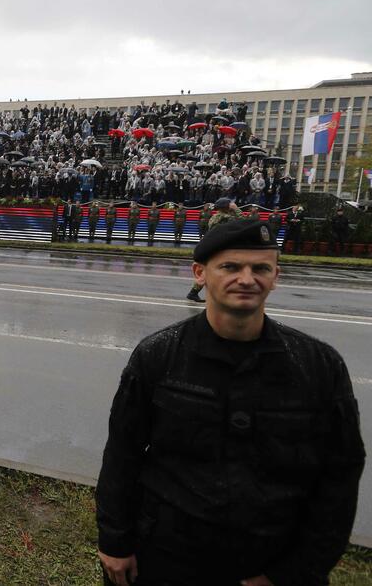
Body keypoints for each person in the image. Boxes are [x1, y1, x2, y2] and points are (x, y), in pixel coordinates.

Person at [97, 219, 365, 586]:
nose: (246, 278)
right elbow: (122, 453)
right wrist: (114, 539)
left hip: (271, 557)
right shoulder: (158, 356)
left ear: (276, 276)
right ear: (200, 274)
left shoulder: (318, 365)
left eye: (260, 268)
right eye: (230, 267)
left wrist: (294, 572)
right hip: (169, 557)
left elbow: (340, 475)